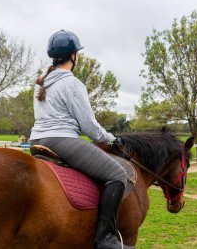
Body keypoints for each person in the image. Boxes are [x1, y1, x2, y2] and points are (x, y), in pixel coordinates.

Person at [30, 30, 135, 249]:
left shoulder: (41, 83)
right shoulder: (72, 84)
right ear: (73, 56)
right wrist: (112, 139)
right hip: (62, 141)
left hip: (36, 140)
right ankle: (105, 238)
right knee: (118, 174)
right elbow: (89, 127)